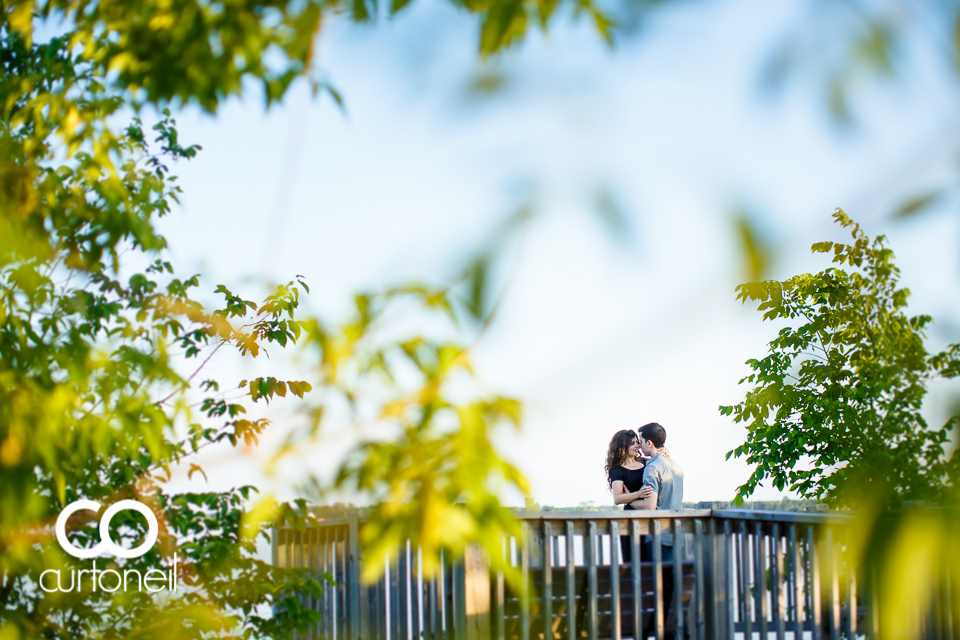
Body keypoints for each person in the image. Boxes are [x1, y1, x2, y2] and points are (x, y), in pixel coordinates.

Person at [629, 422, 685, 639]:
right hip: (676, 535)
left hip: (658, 536)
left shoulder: (653, 468)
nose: (640, 445)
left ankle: (654, 632)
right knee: (671, 589)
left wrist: (630, 500)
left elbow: (650, 506)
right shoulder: (675, 465)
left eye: (641, 441)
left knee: (659, 590)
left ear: (649, 442)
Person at [605, 429, 654, 562]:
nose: (637, 446)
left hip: (649, 518)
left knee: (650, 559)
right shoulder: (618, 470)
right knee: (632, 561)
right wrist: (638, 494)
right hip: (629, 521)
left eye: (637, 442)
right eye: (632, 443)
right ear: (622, 447)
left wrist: (667, 453)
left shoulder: (646, 463)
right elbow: (618, 498)